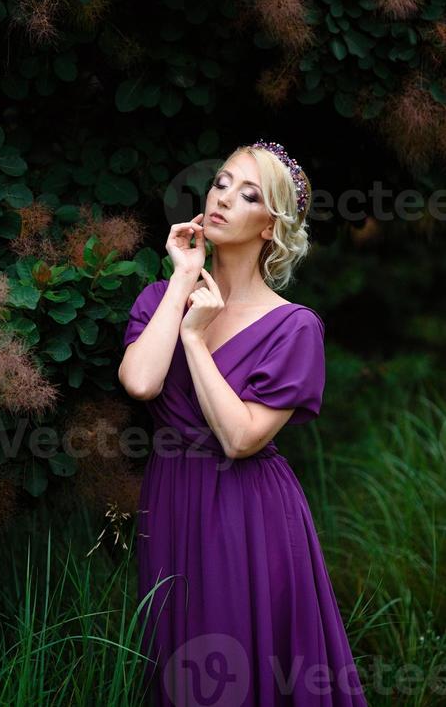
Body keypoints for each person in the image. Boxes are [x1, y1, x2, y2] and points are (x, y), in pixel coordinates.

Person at [118, 140, 368, 707]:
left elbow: (240, 438)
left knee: (235, 665)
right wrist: (184, 281)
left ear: (270, 227)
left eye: (249, 194)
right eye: (222, 183)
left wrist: (194, 339)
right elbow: (140, 382)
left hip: (247, 511)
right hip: (171, 499)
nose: (225, 197)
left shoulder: (294, 327)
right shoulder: (163, 297)